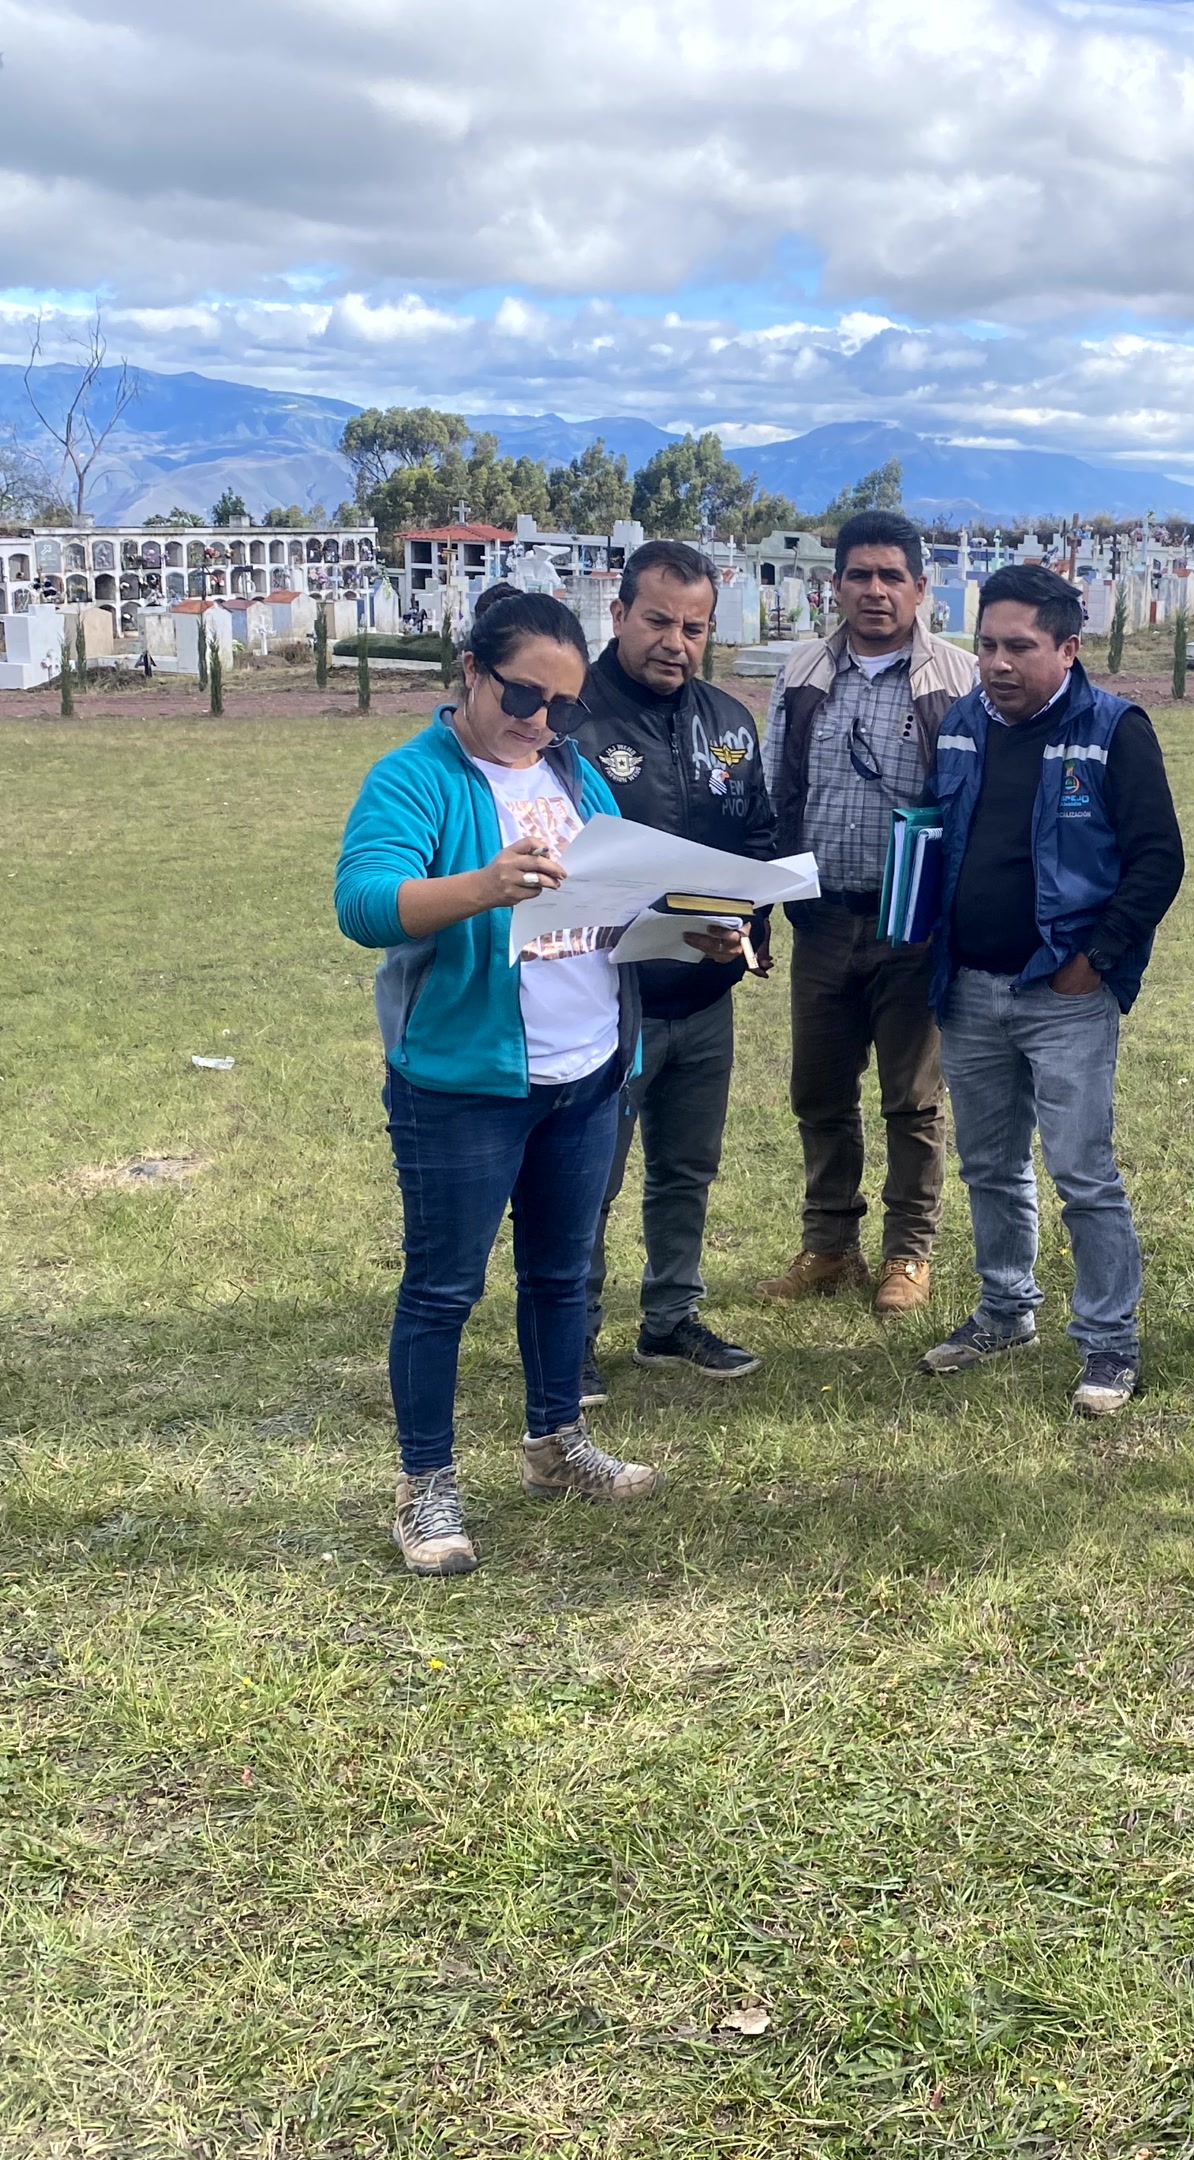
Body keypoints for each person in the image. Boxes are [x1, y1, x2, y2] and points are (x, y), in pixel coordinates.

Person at [333, 589, 660, 1578]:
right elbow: (363, 905)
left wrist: (696, 928)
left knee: (561, 1274)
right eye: (523, 695)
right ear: (471, 671)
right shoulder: (414, 778)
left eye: (564, 705)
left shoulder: (575, 775)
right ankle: (424, 1484)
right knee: (443, 1289)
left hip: (585, 1072)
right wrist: (483, 885)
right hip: (463, 1083)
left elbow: (617, 901)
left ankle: (556, 1441)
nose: (542, 720)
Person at [919, 563, 1184, 1417]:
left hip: (1062, 993)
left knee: (1082, 1172)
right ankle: (1005, 1310)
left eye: (1019, 647)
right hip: (968, 986)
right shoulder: (963, 723)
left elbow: (1158, 860)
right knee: (990, 1166)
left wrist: (1093, 959)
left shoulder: (1112, 730)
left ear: (1068, 649)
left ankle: (1108, 1341)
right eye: (986, 645)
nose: (997, 663)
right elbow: (936, 831)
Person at [757, 510, 980, 1319]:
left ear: (921, 588)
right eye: (860, 575)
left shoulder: (958, 679)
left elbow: (977, 804)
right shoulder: (803, 672)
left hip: (914, 927)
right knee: (818, 1091)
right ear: (836, 584)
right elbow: (777, 792)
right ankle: (828, 1246)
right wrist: (765, 901)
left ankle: (907, 1252)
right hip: (822, 918)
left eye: (891, 576)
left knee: (911, 1100)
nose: (875, 590)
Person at [575, 540, 777, 1400]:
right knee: (588, 1180)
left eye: (694, 628)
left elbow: (756, 836)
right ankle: (570, 1333)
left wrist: (749, 926)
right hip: (603, 998)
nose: (675, 642)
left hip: (703, 995)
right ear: (619, 614)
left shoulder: (728, 719)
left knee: (685, 1170)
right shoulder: (569, 718)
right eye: (658, 621)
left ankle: (669, 1316)